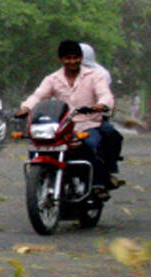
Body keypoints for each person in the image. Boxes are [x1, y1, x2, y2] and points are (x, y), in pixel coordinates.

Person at [16, 40, 124, 197]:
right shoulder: (52, 79)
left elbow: (105, 95)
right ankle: (38, 182)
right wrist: (26, 108)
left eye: (75, 57)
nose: (72, 61)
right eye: (67, 58)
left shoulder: (94, 76)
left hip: (88, 124)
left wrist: (101, 105)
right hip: (61, 127)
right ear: (61, 59)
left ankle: (98, 183)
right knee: (36, 147)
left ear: (81, 58)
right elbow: (38, 95)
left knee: (92, 144)